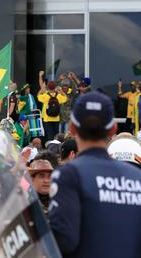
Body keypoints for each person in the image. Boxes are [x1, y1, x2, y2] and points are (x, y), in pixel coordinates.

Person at [49, 92, 141, 257]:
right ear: (113, 128)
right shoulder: (137, 178)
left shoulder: (68, 175)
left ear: (72, 128)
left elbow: (62, 241)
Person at [37, 73, 68, 142]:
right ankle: (56, 147)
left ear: (48, 87)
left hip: (47, 118)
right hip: (56, 118)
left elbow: (38, 96)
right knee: (56, 135)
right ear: (55, 88)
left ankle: (50, 148)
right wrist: (61, 91)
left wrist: (42, 89)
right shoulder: (58, 96)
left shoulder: (46, 96)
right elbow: (66, 98)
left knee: (49, 135)